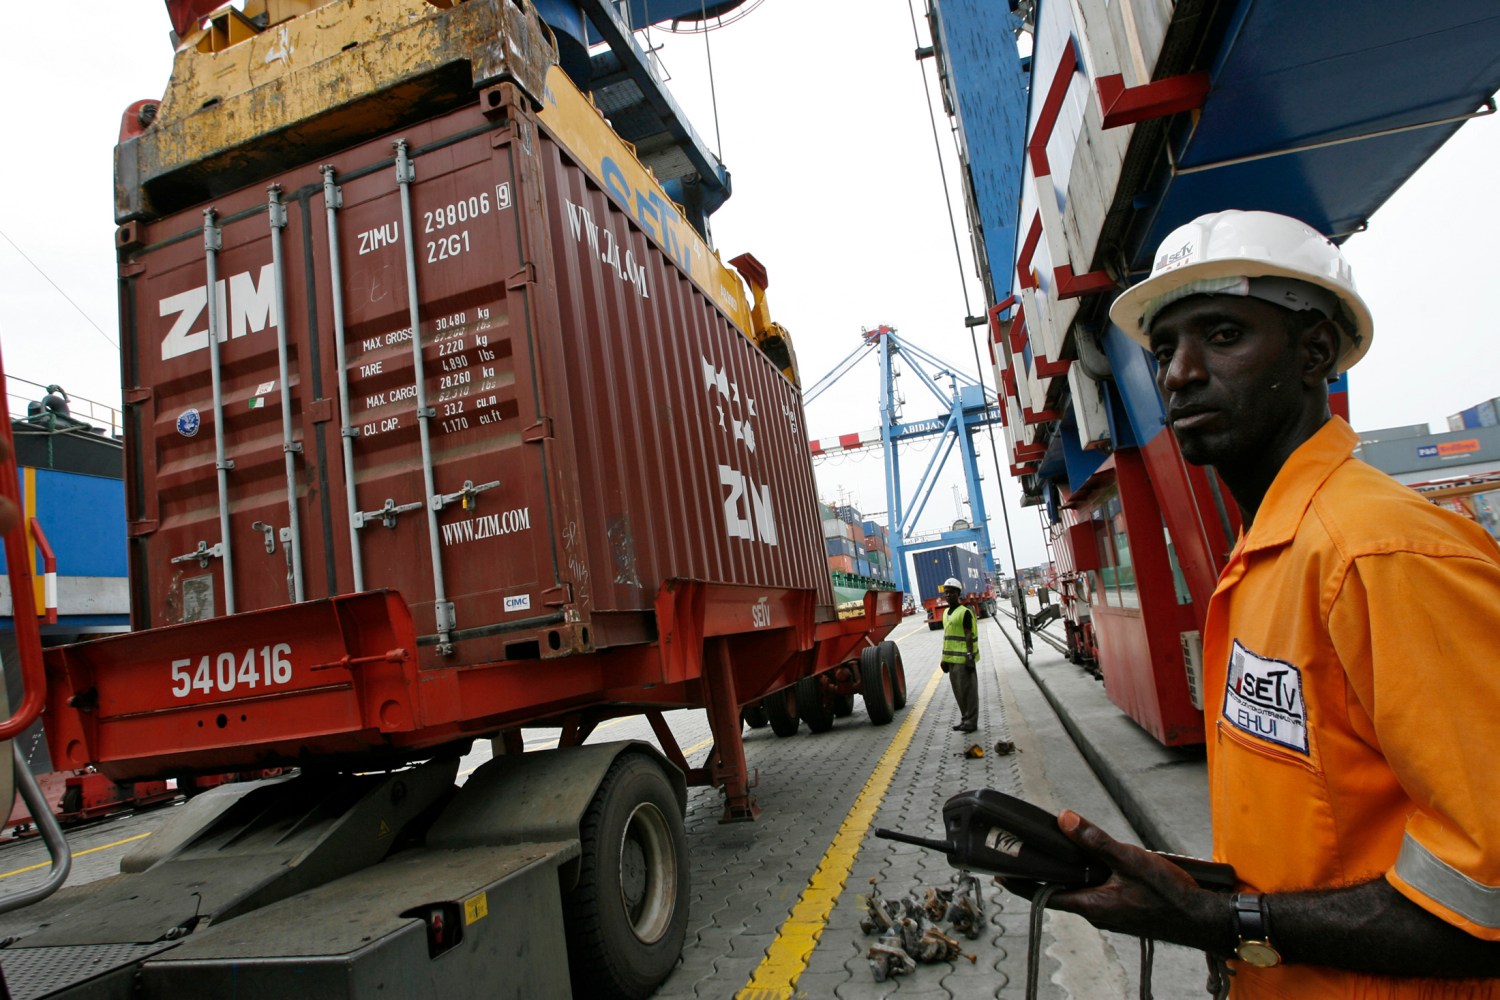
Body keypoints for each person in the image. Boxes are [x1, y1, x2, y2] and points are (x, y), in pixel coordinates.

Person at [1024, 210, 1500, 996]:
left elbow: (1487, 893)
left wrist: (1230, 922)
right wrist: (1194, 895)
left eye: (1222, 335)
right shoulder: (1271, 554)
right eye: (1164, 349)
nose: (1180, 374)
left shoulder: (1382, 555)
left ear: (1315, 352)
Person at [939, 578, 979, 733]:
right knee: (959, 692)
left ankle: (971, 722)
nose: (948, 595)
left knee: (969, 691)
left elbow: (969, 634)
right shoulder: (945, 613)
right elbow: (947, 637)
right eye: (946, 592)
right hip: (951, 660)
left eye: (951, 592)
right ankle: (965, 719)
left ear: (958, 593)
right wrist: (943, 659)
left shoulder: (965, 612)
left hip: (963, 659)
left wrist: (969, 655)